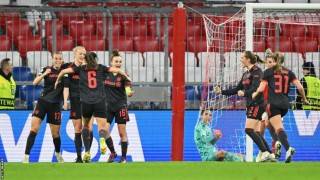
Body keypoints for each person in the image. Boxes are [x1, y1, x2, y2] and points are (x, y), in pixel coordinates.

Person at [55, 52, 130, 163]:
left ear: (85, 59)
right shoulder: (100, 68)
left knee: (86, 126)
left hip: (86, 103)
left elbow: (63, 71)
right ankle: (101, 140)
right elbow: (117, 70)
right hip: (99, 102)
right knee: (102, 127)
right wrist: (127, 77)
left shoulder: (80, 68)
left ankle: (87, 152)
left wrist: (58, 80)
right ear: (95, 59)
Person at [214, 51, 275, 162]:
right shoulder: (245, 74)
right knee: (256, 132)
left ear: (248, 59)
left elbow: (257, 88)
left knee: (248, 129)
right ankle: (270, 154)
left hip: (257, 104)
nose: (241, 59)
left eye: (242, 57)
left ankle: (265, 152)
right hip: (251, 104)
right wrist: (221, 92)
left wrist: (245, 93)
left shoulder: (257, 71)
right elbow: (236, 89)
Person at [252, 52, 309, 163]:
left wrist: (255, 95)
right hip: (285, 105)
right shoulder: (289, 72)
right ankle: (277, 144)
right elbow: (300, 87)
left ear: (275, 61)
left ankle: (286, 148)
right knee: (270, 124)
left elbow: (261, 88)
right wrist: (304, 99)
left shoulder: (268, 72)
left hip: (273, 104)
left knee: (276, 128)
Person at [22, 52, 64, 163]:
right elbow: (35, 82)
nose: (57, 60)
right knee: (34, 129)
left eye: (59, 58)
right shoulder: (46, 69)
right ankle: (26, 156)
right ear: (52, 59)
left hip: (55, 105)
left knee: (55, 133)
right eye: (55, 58)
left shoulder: (64, 72)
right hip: (43, 102)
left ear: (62, 60)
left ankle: (58, 154)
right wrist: (45, 74)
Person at [104, 50, 134, 163]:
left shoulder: (124, 75)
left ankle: (124, 157)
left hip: (120, 106)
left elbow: (127, 89)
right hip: (107, 107)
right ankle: (113, 152)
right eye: (116, 61)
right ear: (111, 62)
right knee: (104, 130)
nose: (118, 63)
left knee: (122, 133)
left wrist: (129, 92)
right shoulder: (105, 73)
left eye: (120, 61)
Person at [61, 46, 87, 163]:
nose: (82, 56)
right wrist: (65, 101)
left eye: (84, 54)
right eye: (80, 54)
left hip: (87, 101)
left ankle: (88, 154)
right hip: (75, 101)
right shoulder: (69, 68)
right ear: (75, 54)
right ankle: (79, 157)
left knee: (87, 128)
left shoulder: (88, 68)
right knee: (77, 129)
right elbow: (66, 86)